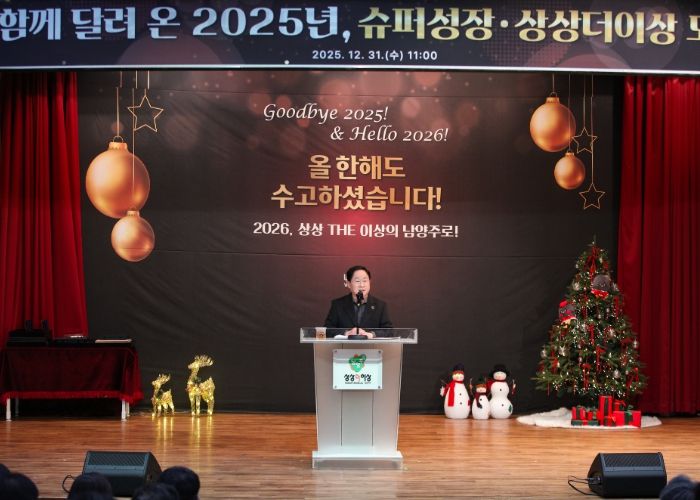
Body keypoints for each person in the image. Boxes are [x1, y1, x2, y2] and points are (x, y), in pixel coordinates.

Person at [324, 265, 392, 338]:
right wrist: (346, 333)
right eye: (357, 281)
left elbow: (389, 331)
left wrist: (371, 334)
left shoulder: (380, 306)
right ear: (348, 284)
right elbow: (327, 330)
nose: (362, 285)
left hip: (371, 345)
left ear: (369, 282)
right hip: (345, 345)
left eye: (365, 281)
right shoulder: (338, 305)